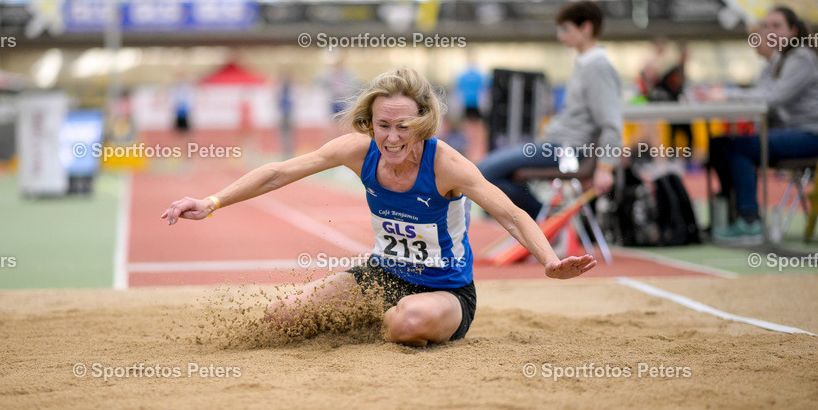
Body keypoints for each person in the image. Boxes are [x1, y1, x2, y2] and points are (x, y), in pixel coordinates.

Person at [162, 66, 596, 347]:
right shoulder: (358, 150)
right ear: (370, 123)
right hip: (381, 275)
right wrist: (211, 202)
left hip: (446, 292)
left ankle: (387, 320)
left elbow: (510, 213)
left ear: (421, 123)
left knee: (408, 324)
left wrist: (549, 260)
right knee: (283, 317)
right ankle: (375, 315)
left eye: (403, 126)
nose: (391, 137)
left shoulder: (447, 166)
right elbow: (279, 172)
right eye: (382, 125)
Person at [477, 0, 622, 218]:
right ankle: (545, 219)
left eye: (566, 29)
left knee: (482, 173)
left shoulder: (597, 67)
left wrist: (605, 168)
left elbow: (612, 123)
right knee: (487, 174)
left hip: (567, 150)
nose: (560, 36)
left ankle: (544, 220)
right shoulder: (585, 64)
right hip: (556, 146)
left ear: (586, 28)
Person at [710, 6, 818, 243]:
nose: (769, 32)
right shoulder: (780, 62)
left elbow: (772, 99)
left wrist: (726, 94)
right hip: (800, 132)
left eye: (777, 26)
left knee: (739, 147)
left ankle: (749, 221)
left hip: (817, 137)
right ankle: (732, 215)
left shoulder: (800, 57)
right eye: (766, 26)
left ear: (793, 31)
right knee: (722, 144)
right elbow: (768, 102)